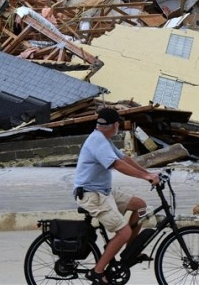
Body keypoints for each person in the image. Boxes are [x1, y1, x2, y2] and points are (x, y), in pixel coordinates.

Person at [73, 107, 160, 284]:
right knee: (124, 231)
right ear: (114, 125)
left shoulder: (104, 139)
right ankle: (97, 272)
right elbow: (117, 165)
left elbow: (124, 159)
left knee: (140, 206)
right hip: (91, 194)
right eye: (117, 124)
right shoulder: (97, 141)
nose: (118, 127)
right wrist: (145, 176)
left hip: (103, 191)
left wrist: (148, 173)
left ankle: (129, 253)